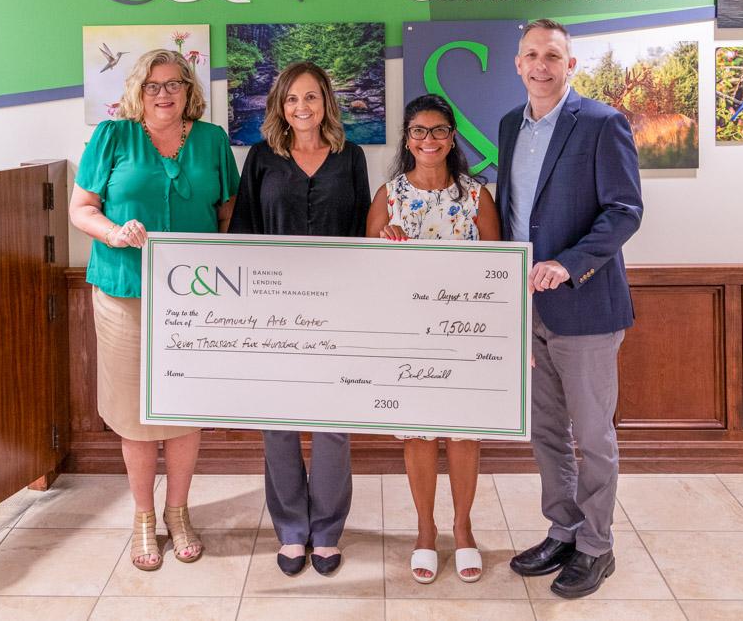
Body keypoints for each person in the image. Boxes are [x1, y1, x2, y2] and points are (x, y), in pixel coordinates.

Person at [69, 49, 239, 571]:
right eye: (153, 85)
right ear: (137, 92)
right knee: (135, 413)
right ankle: (144, 516)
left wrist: (206, 265)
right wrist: (114, 234)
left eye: (175, 84)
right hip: (125, 293)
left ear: (190, 90)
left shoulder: (212, 141)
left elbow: (226, 210)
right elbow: (82, 209)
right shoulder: (111, 137)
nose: (164, 93)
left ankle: (179, 511)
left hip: (195, 299)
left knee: (185, 408)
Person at [496, 19, 643, 599]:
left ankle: (597, 546)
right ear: (517, 63)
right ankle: (564, 529)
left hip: (584, 306)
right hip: (526, 308)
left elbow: (624, 210)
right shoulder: (511, 126)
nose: (541, 65)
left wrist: (568, 262)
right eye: (531, 54)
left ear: (570, 65)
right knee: (548, 432)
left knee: (594, 435)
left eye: (552, 56)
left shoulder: (603, 123)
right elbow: (514, 214)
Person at [228, 61, 370, 577]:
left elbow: (360, 230)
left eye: (311, 97)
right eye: (292, 99)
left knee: (333, 424)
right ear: (280, 105)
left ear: (326, 101)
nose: (302, 107)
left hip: (338, 310)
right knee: (279, 425)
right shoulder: (261, 157)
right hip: (273, 312)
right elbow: (243, 229)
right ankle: (291, 529)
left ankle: (327, 530)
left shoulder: (350, 156)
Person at [366, 94, 500, 585]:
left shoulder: (476, 196)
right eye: (419, 131)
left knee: (464, 435)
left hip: (466, 337)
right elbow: (368, 273)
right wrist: (387, 245)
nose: (429, 140)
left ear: (452, 137)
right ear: (407, 138)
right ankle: (426, 531)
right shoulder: (388, 196)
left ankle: (463, 530)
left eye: (439, 130)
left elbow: (496, 269)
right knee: (420, 435)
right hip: (407, 338)